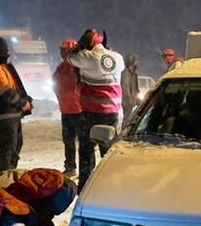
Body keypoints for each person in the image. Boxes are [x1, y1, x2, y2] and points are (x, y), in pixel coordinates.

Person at [67, 29, 125, 188]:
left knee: (86, 150)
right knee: (108, 150)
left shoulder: (87, 57)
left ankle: (86, 186)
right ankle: (113, 183)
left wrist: (76, 48)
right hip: (112, 113)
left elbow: (70, 58)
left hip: (91, 113)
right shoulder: (118, 58)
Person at [0, 37, 34, 172]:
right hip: (4, 116)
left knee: (15, 146)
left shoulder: (2, 67)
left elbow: (14, 88)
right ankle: (5, 177)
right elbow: (6, 92)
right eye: (5, 51)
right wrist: (23, 104)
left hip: (11, 115)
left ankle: (10, 174)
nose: (7, 54)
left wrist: (27, 100)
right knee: (8, 148)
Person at [53, 39, 84, 177]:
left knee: (82, 143)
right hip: (67, 110)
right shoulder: (61, 67)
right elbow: (54, 82)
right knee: (69, 141)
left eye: (64, 50)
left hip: (78, 110)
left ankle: (83, 168)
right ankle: (71, 167)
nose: (62, 52)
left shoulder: (78, 67)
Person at [120, 54, 142, 122]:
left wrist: (138, 100)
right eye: (136, 61)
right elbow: (125, 88)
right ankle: (125, 132)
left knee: (131, 118)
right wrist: (130, 101)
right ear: (132, 62)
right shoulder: (126, 73)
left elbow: (135, 88)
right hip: (128, 101)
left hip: (132, 100)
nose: (137, 63)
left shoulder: (133, 74)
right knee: (127, 118)